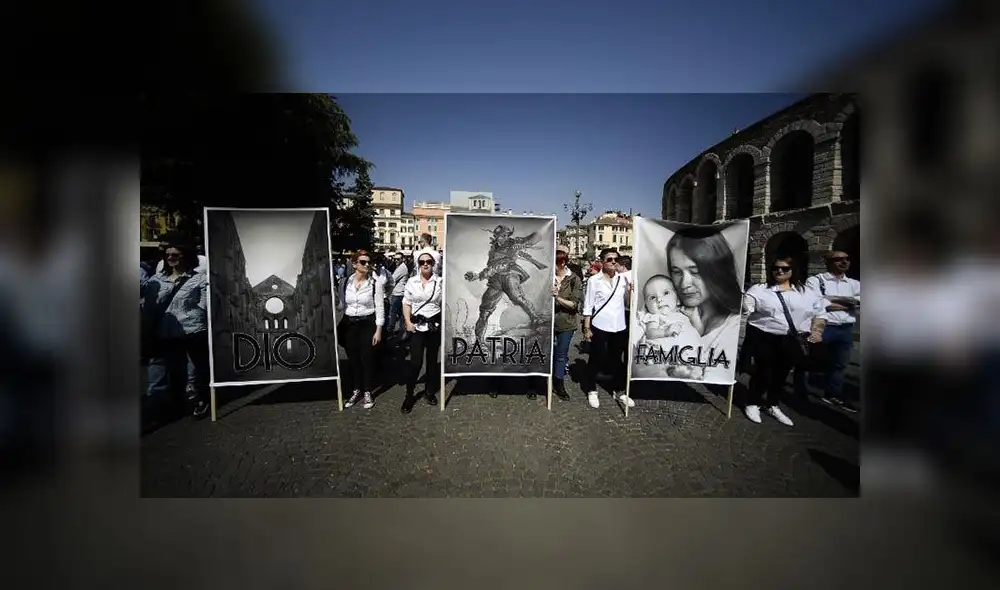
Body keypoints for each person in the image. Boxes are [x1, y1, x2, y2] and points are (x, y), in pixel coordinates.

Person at [640, 225, 744, 382]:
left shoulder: (733, 324)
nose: (684, 283)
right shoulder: (665, 311)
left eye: (695, 271)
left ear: (716, 271)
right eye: (676, 272)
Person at [741, 256, 828, 426]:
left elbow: (820, 313)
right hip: (764, 336)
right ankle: (753, 402)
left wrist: (817, 332)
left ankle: (773, 404)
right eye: (776, 268)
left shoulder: (807, 292)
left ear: (793, 271)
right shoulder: (760, 289)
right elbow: (748, 306)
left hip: (792, 340)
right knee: (763, 372)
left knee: (782, 373)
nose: (779, 271)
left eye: (785, 268)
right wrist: (744, 304)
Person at [141, 244, 210, 420]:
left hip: (191, 331)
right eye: (168, 255)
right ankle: (160, 407)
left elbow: (204, 305)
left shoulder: (199, 279)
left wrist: (192, 315)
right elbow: (150, 307)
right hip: (163, 332)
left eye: (176, 254)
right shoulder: (156, 279)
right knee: (160, 370)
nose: (171, 257)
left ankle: (198, 400)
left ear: (186, 256)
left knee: (191, 372)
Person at [797, 250, 860, 411]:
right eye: (838, 259)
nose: (844, 262)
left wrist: (829, 300)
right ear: (828, 263)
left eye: (847, 259)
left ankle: (833, 394)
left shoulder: (855, 284)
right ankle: (800, 392)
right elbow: (815, 303)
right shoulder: (816, 280)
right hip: (822, 327)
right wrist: (849, 303)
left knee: (839, 363)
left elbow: (861, 302)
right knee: (809, 361)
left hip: (845, 329)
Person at [581, 248, 633, 409]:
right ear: (602, 261)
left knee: (617, 360)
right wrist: (586, 326)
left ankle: (620, 390)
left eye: (615, 259)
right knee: (596, 358)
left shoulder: (623, 279)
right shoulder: (594, 280)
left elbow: (628, 304)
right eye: (609, 259)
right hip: (600, 324)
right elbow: (588, 305)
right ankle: (591, 390)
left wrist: (632, 291)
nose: (613, 262)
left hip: (619, 325)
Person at [337, 250, 384, 410]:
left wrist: (378, 330)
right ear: (354, 264)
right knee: (354, 360)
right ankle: (356, 389)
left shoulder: (375, 283)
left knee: (367, 358)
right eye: (363, 262)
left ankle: (368, 390)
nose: (367, 265)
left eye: (368, 262)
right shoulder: (345, 282)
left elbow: (380, 307)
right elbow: (342, 304)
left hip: (367, 324)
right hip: (349, 324)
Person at [633, 274, 704, 380]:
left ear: (678, 299)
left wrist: (695, 319)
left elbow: (698, 333)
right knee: (663, 356)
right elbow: (650, 333)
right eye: (652, 297)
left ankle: (690, 370)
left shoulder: (683, 315)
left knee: (695, 356)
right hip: (665, 349)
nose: (659, 299)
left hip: (687, 349)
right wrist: (665, 332)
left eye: (666, 293)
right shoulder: (655, 316)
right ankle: (675, 369)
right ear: (647, 306)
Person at [401, 251, 443, 413]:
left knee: (432, 363)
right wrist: (407, 322)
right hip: (417, 327)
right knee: (415, 363)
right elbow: (406, 303)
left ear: (433, 264)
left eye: (429, 262)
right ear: (418, 265)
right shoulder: (411, 282)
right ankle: (409, 395)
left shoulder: (440, 282)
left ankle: (429, 392)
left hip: (434, 327)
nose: (425, 264)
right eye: (422, 262)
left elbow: (445, 302)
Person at [551, 244, 584, 400]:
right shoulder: (547, 276)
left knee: (561, 355)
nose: (554, 266)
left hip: (566, 323)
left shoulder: (574, 279)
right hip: (546, 323)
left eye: (556, 263)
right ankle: (537, 381)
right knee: (544, 353)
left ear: (563, 263)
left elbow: (574, 305)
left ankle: (559, 383)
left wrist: (557, 297)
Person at [387, 251, 409, 337]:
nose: (396, 261)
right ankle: (402, 331)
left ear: (403, 259)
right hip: (400, 293)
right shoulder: (401, 267)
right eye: (395, 259)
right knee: (400, 314)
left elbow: (392, 280)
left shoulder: (401, 268)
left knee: (392, 313)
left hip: (397, 294)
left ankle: (390, 330)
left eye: (398, 259)